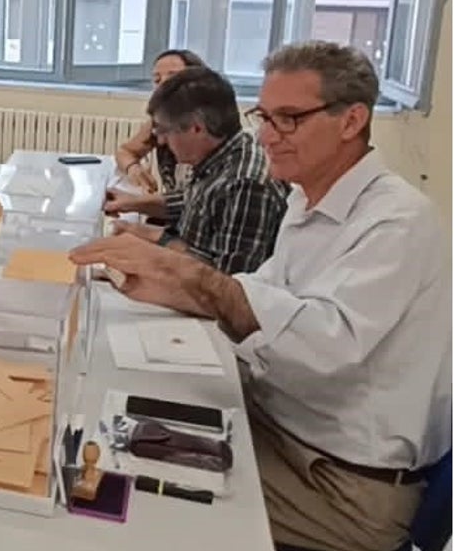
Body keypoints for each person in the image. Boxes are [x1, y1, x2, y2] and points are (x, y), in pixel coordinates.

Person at [70, 41, 451, 551]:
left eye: (288, 119)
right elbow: (262, 289)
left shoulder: (397, 224)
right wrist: (180, 284)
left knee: (122, 495)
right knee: (106, 430)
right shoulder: (308, 196)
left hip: (341, 486)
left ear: (351, 120)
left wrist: (195, 279)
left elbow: (321, 346)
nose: (266, 136)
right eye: (264, 117)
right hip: (282, 429)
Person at [110, 66, 289, 275]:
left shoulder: (245, 184)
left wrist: (149, 236)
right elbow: (197, 203)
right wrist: (133, 204)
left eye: (164, 130)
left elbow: (227, 281)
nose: (160, 140)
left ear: (196, 128)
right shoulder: (222, 153)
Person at [114, 48, 205, 194]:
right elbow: (125, 151)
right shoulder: (158, 122)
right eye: (157, 80)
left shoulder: (208, 123)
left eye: (173, 78)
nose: (163, 85)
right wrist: (134, 168)